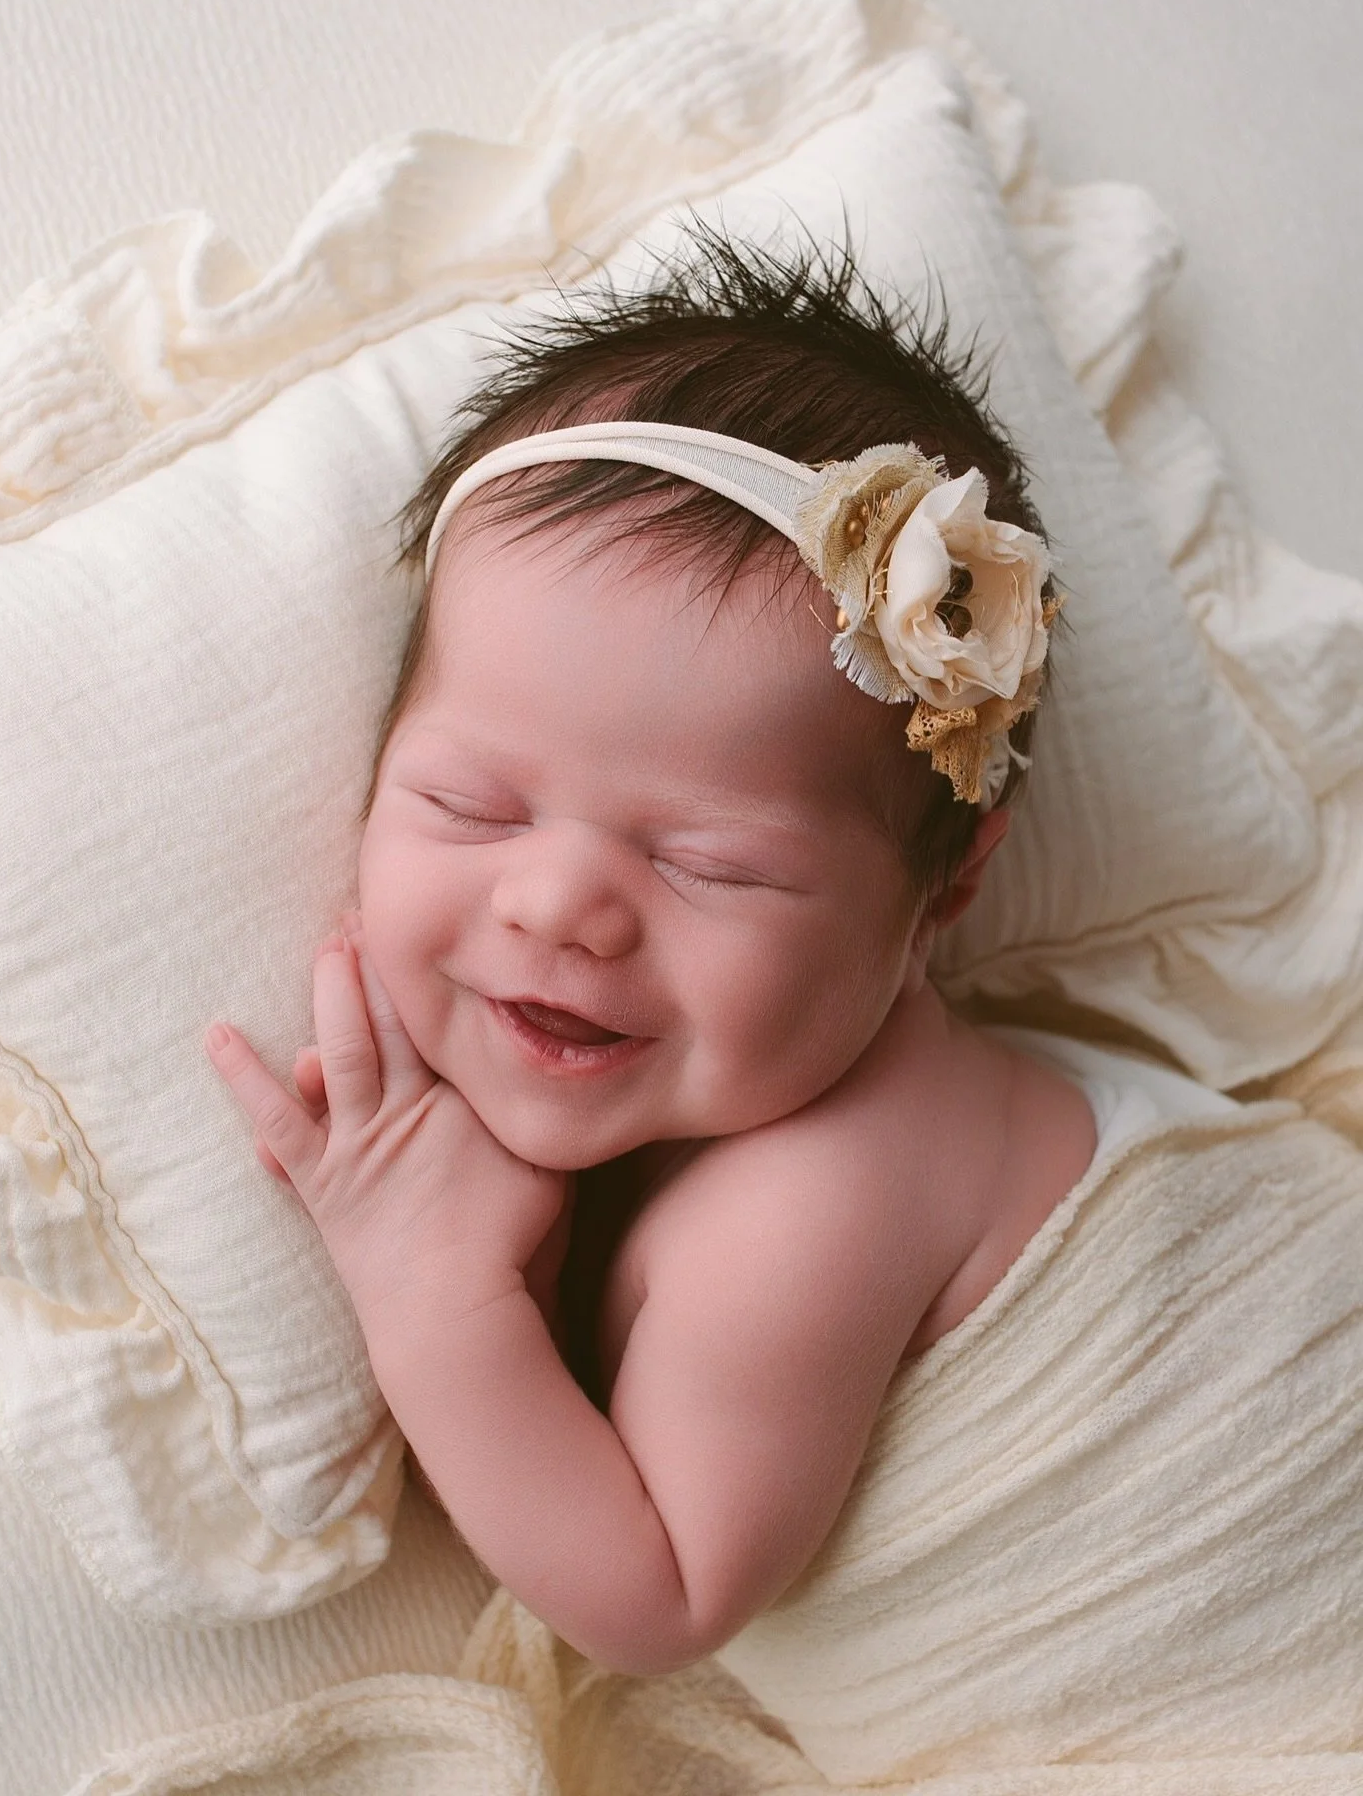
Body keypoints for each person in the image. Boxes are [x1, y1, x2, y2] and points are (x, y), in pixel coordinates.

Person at [204, 230, 1099, 1676]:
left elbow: (656, 1599)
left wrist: (433, 1286)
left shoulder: (820, 1194)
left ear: (946, 891)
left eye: (713, 864)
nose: (561, 905)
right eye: (471, 805)